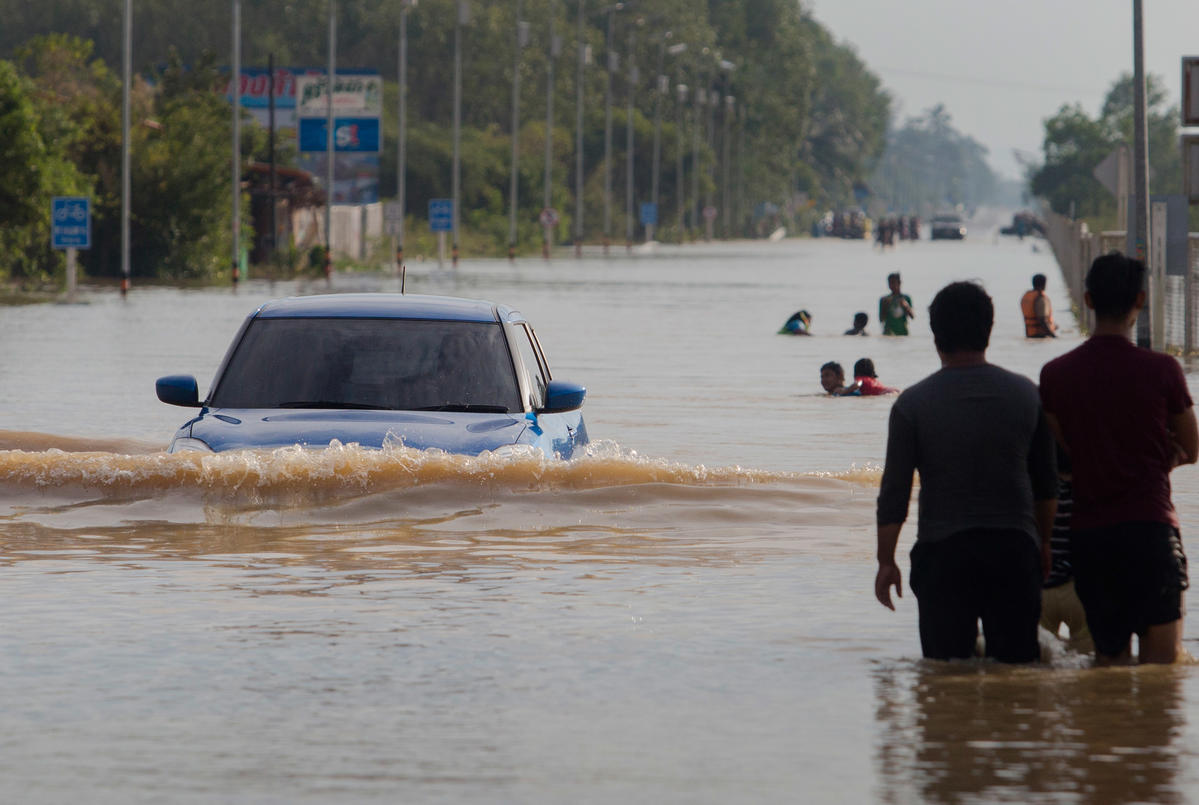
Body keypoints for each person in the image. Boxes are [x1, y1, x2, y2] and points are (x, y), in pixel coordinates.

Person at [875, 281, 1057, 663]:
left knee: (944, 679)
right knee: (1016, 676)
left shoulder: (912, 405)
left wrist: (886, 561)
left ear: (935, 335)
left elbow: (894, 493)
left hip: (943, 556)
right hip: (1013, 551)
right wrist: (1042, 545)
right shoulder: (1027, 395)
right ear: (989, 331)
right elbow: (1045, 484)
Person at [1039, 252, 1198, 665]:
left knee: (1108, 666)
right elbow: (1193, 448)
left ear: (1087, 300)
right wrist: (1159, 461)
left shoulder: (1056, 374)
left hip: (1091, 540)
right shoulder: (1164, 370)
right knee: (1161, 679)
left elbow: (1064, 456)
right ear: (1140, 301)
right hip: (1150, 531)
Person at [1040, 444, 1092, 653]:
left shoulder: (1041, 491)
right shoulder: (1090, 489)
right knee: (1089, 666)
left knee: (1038, 667)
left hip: (1041, 589)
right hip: (1080, 590)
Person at [1021, 273, 1058, 338]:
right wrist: (1053, 336)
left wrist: (1053, 326)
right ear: (1044, 284)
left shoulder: (1027, 296)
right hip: (1041, 335)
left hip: (1030, 334)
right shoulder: (1040, 298)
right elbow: (1042, 320)